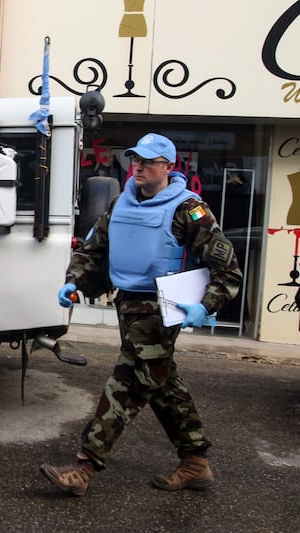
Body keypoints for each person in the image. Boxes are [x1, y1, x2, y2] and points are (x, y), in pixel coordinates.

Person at [40, 133, 242, 496]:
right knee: (161, 382)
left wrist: (206, 305)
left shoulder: (189, 209)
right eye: (135, 159)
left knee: (127, 382)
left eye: (149, 161)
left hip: (162, 310)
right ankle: (195, 463)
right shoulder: (121, 203)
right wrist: (74, 280)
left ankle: (84, 466)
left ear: (168, 166)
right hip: (126, 304)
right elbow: (93, 249)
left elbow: (228, 269)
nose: (139, 166)